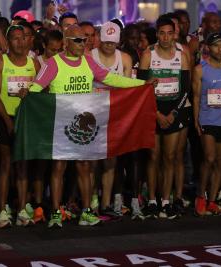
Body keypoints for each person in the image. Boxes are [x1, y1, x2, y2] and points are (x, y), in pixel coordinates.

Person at [28, 24, 152, 228]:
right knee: (58, 168)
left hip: (83, 123)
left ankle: (86, 211)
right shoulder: (53, 64)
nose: (82, 43)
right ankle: (56, 213)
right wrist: (28, 94)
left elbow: (111, 78)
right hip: (61, 125)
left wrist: (141, 84)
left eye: (84, 40)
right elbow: (36, 89)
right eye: (77, 40)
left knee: (84, 168)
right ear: (66, 42)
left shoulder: (88, 61)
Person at [138, 17, 190, 219]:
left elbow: (186, 90)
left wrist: (173, 114)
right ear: (157, 34)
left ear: (174, 34)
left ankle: (166, 201)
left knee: (170, 158)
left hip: (173, 111)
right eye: (162, 33)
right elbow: (141, 89)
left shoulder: (182, 55)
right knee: (153, 157)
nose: (166, 37)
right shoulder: (148, 55)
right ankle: (152, 200)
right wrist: (157, 114)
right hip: (153, 110)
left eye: (170, 33)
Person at [0, 24, 40, 227]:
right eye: (15, 39)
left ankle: (21, 209)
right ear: (8, 42)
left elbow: (42, 91)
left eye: (23, 38)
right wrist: (8, 121)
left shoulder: (33, 63)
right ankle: (2, 211)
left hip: (27, 120)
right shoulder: (1, 61)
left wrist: (31, 95)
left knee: (23, 166)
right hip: (5, 118)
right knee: (5, 165)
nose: (20, 42)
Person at [91, 21, 133, 218]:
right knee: (92, 161)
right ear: (100, 39)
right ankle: (91, 200)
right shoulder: (90, 56)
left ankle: (106, 202)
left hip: (114, 115)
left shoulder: (124, 58)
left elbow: (128, 89)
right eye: (106, 42)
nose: (108, 46)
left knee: (110, 161)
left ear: (118, 42)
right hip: (91, 114)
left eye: (112, 43)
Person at [192, 33, 221, 216]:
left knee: (220, 161)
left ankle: (212, 200)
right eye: (216, 45)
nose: (220, 49)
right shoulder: (200, 69)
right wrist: (196, 119)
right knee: (209, 159)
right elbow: (195, 97)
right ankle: (200, 197)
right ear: (208, 48)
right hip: (207, 119)